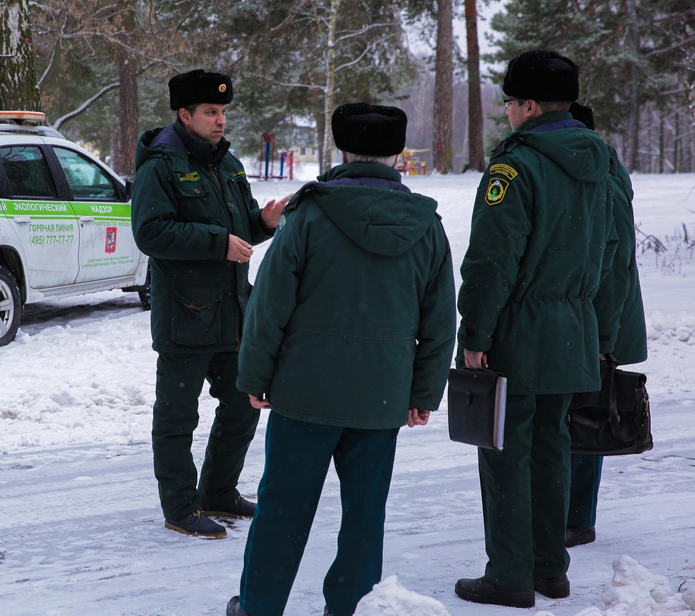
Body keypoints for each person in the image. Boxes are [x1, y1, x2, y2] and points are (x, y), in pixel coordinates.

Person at [225, 103, 456, 616]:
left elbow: (269, 307)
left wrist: (255, 374)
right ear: (396, 154)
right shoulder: (426, 225)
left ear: (341, 149)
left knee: (283, 510)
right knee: (365, 516)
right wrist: (423, 394)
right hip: (381, 397)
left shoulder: (308, 214)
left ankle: (259, 607)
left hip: (304, 393)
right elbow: (442, 320)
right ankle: (351, 607)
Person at [454, 50, 620, 609]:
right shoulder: (600, 161)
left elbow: (490, 262)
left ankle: (510, 575)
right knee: (552, 449)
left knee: (504, 451)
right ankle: (550, 568)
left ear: (527, 105)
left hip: (520, 328)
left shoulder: (515, 165)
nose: (506, 114)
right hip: (574, 323)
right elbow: (608, 251)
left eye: (508, 103)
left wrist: (474, 334)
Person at [131, 69, 284, 539]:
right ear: (184, 114)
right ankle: (180, 506)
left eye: (223, 112)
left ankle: (219, 490)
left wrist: (262, 221)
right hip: (185, 315)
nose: (221, 121)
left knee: (242, 404)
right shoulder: (160, 165)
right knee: (178, 416)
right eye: (211, 112)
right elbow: (150, 233)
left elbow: (240, 228)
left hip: (234, 312)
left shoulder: (230, 163)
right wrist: (219, 243)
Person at [566, 102, 648, 548]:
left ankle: (577, 518)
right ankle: (571, 515)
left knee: (586, 414)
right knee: (578, 413)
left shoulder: (602, 177)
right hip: (595, 316)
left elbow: (613, 263)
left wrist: (601, 337)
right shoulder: (600, 168)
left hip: (600, 317)